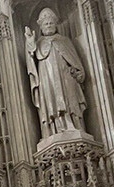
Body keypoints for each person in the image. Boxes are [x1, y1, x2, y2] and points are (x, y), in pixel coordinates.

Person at [25, 8, 88, 139]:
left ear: (55, 25)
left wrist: (77, 72)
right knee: (50, 103)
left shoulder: (64, 41)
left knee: (70, 100)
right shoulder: (39, 43)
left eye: (50, 23)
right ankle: (53, 129)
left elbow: (75, 62)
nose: (48, 25)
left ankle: (73, 124)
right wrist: (30, 42)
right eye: (46, 24)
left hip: (66, 77)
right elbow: (31, 59)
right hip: (47, 79)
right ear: (41, 27)